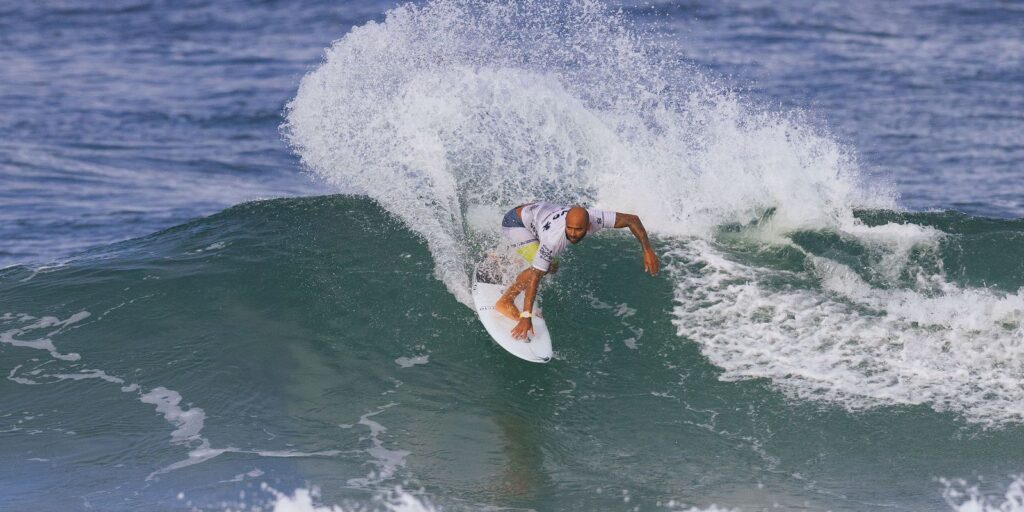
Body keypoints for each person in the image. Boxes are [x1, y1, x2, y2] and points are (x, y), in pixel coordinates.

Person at [497, 202, 659, 340]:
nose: (573, 234)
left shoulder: (596, 218)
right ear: (565, 224)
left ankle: (511, 255)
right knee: (545, 268)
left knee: (551, 265)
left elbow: (632, 220)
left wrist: (647, 250)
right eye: (570, 228)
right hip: (515, 222)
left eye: (578, 229)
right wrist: (526, 316)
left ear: (589, 226)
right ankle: (505, 302)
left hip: (536, 214)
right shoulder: (553, 240)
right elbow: (535, 276)